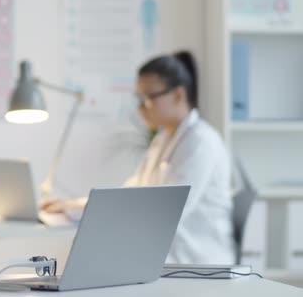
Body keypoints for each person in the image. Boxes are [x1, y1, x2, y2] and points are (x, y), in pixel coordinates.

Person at [43, 51, 236, 265]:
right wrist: (73, 205)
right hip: (165, 261)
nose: (140, 108)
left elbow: (166, 213)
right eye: (139, 99)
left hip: (197, 267)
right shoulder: (163, 139)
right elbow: (131, 195)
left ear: (178, 95)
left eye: (148, 99)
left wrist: (84, 211)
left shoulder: (201, 143)